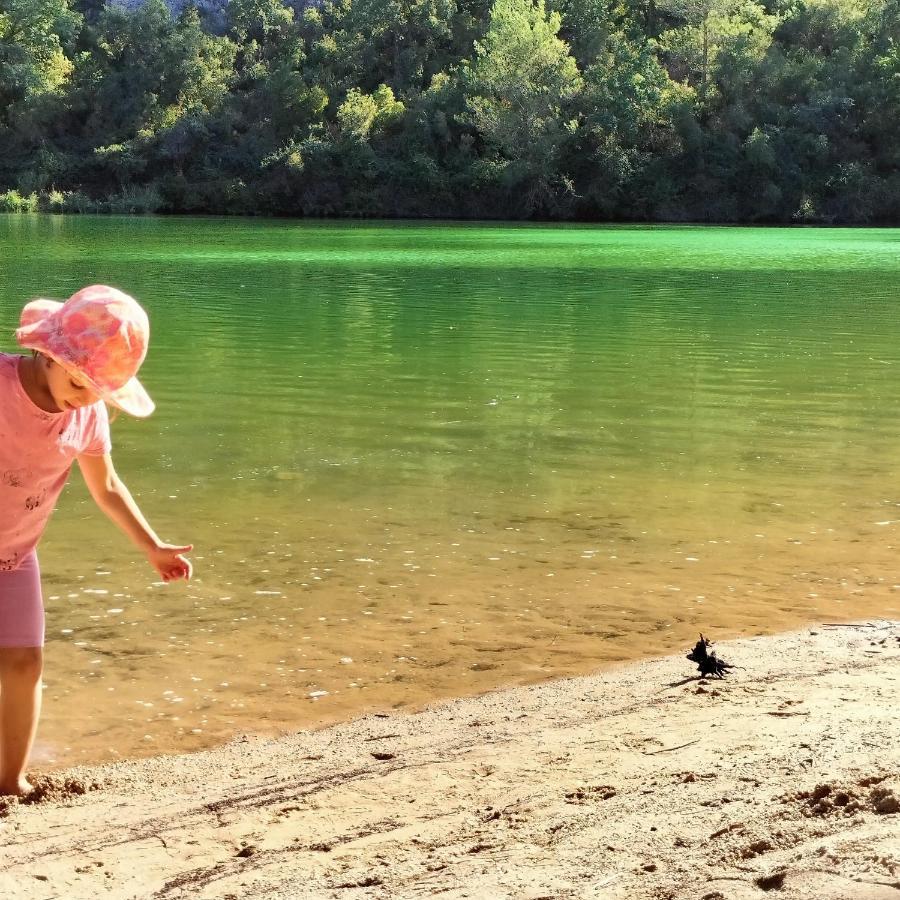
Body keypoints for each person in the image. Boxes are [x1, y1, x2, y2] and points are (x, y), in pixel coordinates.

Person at [0, 284, 192, 797]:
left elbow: (106, 487)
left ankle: (9, 780)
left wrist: (152, 546)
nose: (84, 398)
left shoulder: (87, 415)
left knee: (24, 662)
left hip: (14, 557)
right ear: (49, 354)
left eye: (97, 391)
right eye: (79, 382)